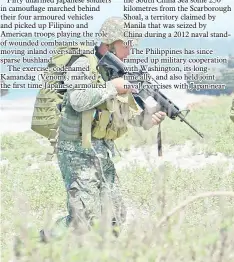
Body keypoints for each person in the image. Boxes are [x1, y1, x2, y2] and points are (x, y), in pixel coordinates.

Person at [40, 16, 167, 240]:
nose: (129, 51)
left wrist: (148, 119)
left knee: (116, 215)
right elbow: (78, 100)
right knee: (84, 220)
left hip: (102, 151)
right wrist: (112, 87)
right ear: (109, 42)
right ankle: (42, 239)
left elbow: (128, 115)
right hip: (76, 151)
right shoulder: (83, 63)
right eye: (126, 45)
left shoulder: (114, 71)